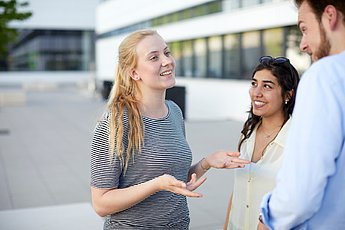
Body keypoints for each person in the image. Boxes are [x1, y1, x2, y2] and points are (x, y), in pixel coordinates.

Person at [90, 29, 249, 230]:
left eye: (167, 52)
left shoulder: (174, 111)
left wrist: (207, 162)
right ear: (134, 72)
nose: (167, 61)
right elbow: (101, 203)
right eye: (154, 57)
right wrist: (156, 184)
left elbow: (173, 181)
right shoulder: (116, 122)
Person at [258, 1, 345, 229]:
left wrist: (269, 218)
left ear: (330, 16)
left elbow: (299, 197)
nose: (304, 44)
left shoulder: (326, 75)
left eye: (305, 29)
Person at [223, 56, 300, 230]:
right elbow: (238, 191)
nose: (256, 92)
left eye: (267, 86)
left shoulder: (297, 141)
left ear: (288, 95)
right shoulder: (247, 134)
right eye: (254, 83)